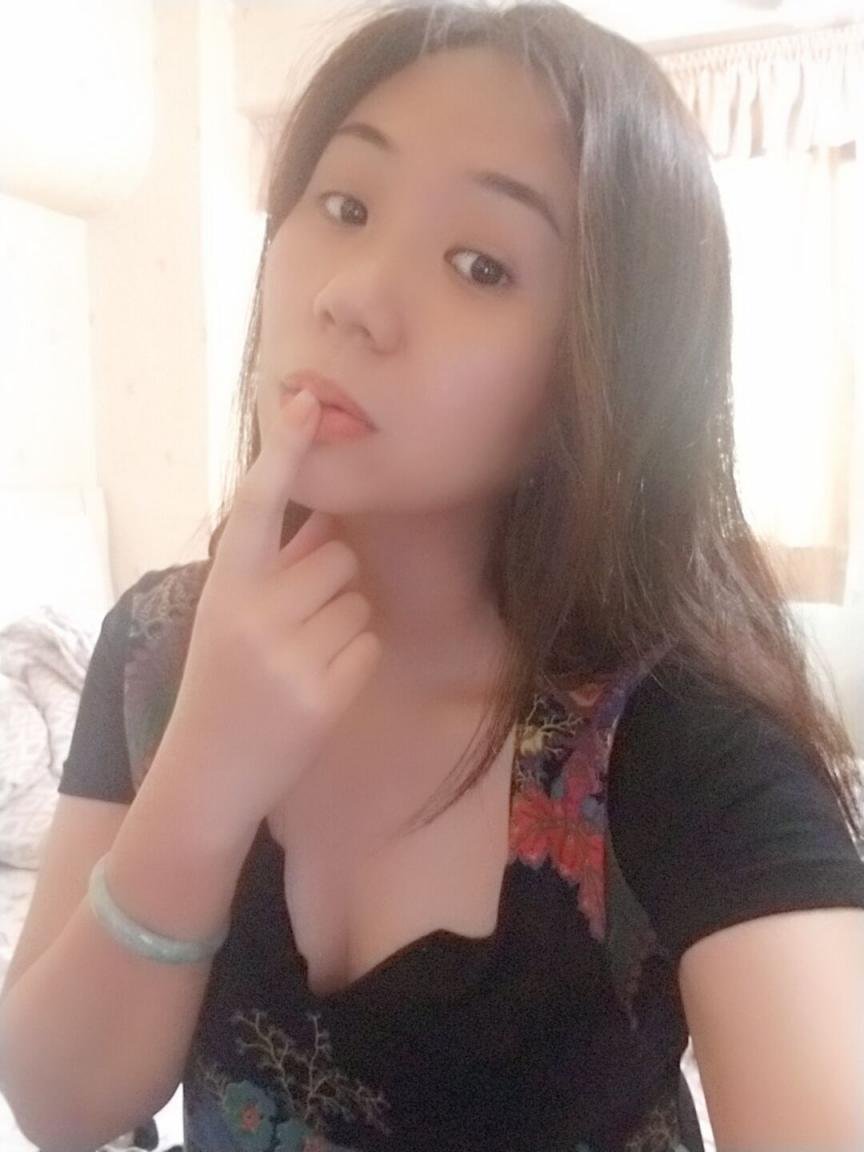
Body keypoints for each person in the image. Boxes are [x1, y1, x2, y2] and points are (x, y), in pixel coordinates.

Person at [2, 2, 863, 1150]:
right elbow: (59, 1107)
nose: (352, 294)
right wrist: (203, 776)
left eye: (480, 265)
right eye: (345, 206)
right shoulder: (158, 645)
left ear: (600, 372)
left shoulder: (676, 736)